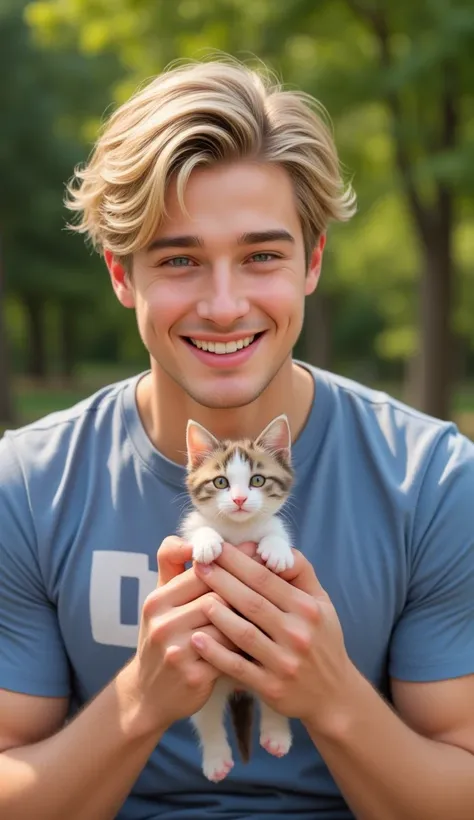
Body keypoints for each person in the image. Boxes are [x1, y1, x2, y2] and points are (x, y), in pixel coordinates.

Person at [0, 56, 473, 820]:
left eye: (261, 256)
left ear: (312, 261)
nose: (224, 306)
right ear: (122, 276)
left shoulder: (435, 481)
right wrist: (140, 702)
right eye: (179, 259)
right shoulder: (23, 486)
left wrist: (331, 694)